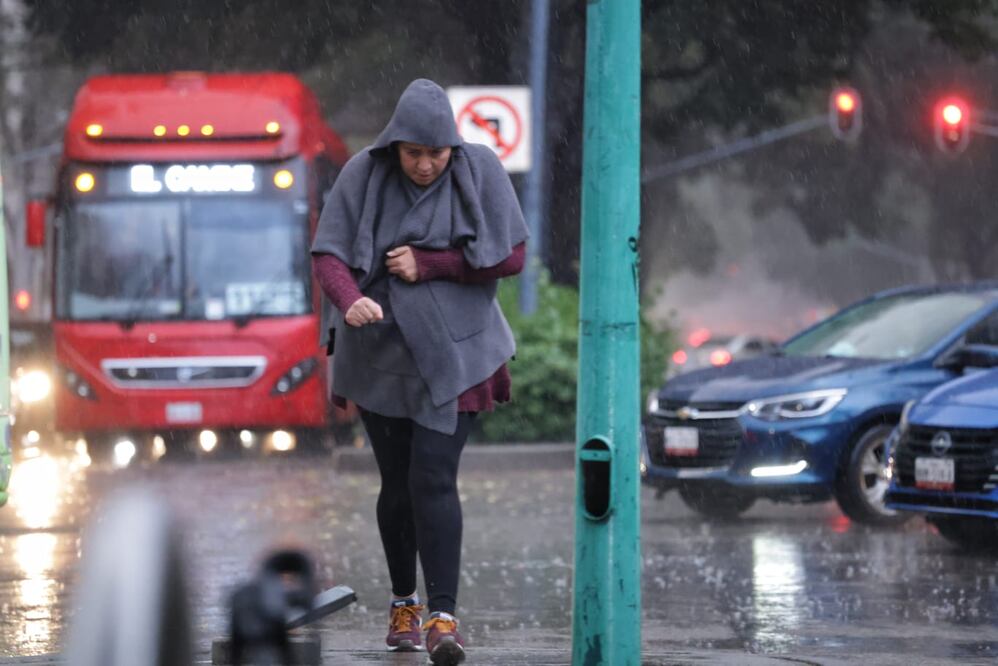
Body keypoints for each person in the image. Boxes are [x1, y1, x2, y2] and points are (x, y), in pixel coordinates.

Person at [311, 78, 527, 666]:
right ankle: (403, 603)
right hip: (379, 353)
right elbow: (327, 253)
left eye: (437, 153)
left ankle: (443, 618)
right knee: (397, 485)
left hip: (458, 354)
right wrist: (350, 297)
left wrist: (432, 263)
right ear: (395, 145)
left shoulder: (478, 169)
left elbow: (511, 255)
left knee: (434, 478)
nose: (427, 164)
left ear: (453, 147)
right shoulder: (362, 173)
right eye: (415, 153)